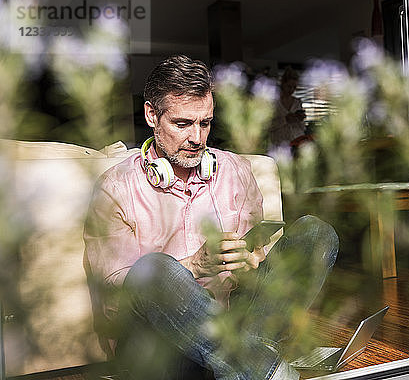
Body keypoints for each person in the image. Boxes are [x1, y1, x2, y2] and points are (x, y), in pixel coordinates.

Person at [83, 55, 339, 380]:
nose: (197, 138)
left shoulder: (235, 172)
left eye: (205, 123)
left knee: (315, 233)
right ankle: (259, 368)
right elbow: (116, 296)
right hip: (159, 347)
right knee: (153, 270)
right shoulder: (115, 188)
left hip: (231, 326)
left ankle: (249, 364)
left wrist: (248, 262)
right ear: (151, 114)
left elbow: (255, 255)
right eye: (182, 124)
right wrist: (193, 266)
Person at [268, 67, 308, 149]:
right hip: (279, 144)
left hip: (297, 142)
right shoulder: (273, 102)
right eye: (289, 86)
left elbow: (303, 127)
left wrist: (300, 119)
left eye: (294, 87)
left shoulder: (298, 102)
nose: (292, 90)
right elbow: (268, 126)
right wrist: (285, 119)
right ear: (283, 84)